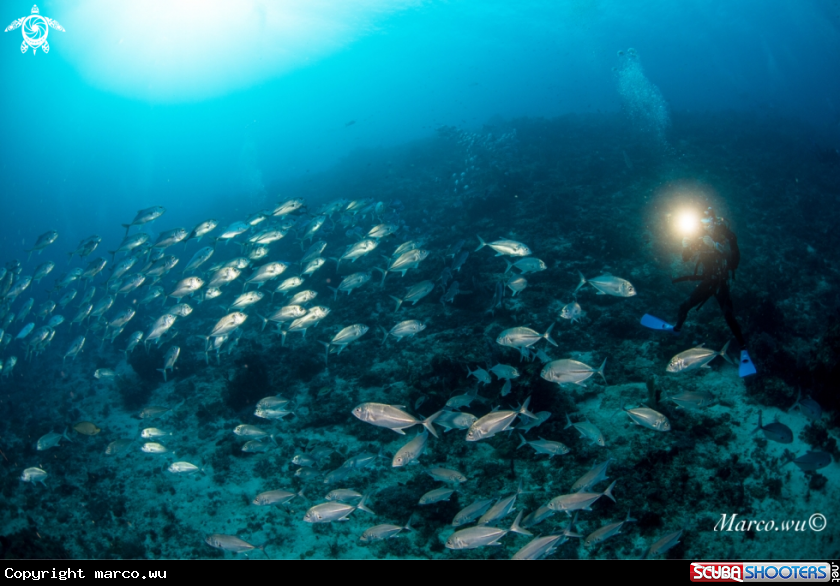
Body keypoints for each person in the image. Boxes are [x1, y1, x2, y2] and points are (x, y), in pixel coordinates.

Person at [641, 208, 756, 377]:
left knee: (728, 315)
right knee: (684, 306)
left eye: (708, 222)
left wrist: (716, 246)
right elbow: (686, 258)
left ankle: (744, 350)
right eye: (702, 223)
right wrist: (686, 246)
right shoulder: (699, 237)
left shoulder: (726, 235)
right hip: (707, 281)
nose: (705, 226)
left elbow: (734, 262)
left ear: (715, 221)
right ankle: (676, 329)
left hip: (721, 282)